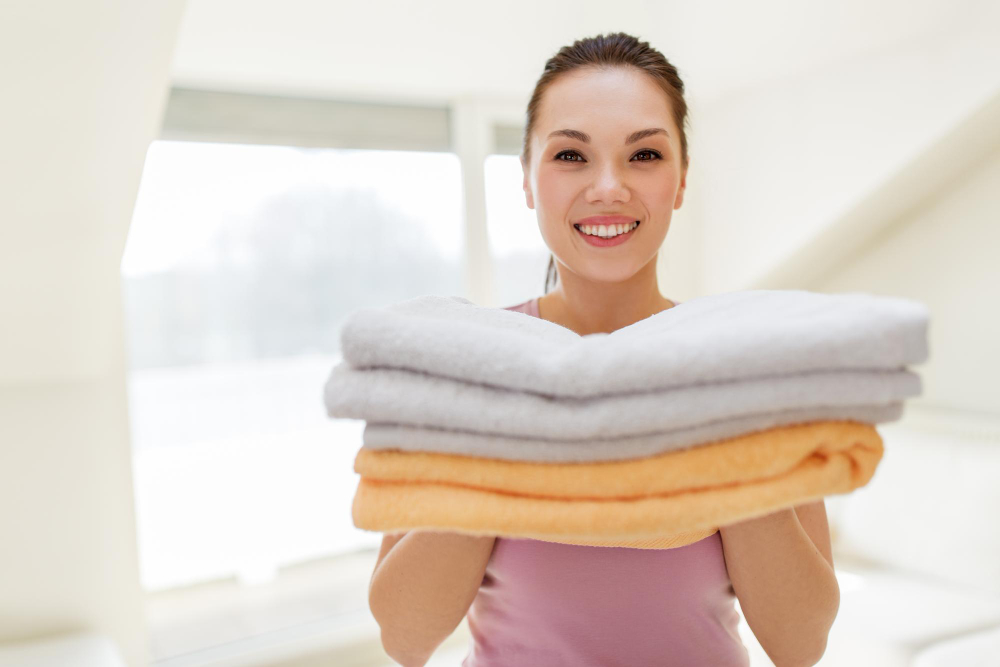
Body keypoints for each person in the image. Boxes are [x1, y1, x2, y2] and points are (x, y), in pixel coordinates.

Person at [368, 31, 839, 667]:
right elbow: (405, 636)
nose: (609, 187)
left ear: (680, 180)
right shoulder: (462, 364)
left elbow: (800, 644)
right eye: (570, 156)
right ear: (529, 181)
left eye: (644, 155)